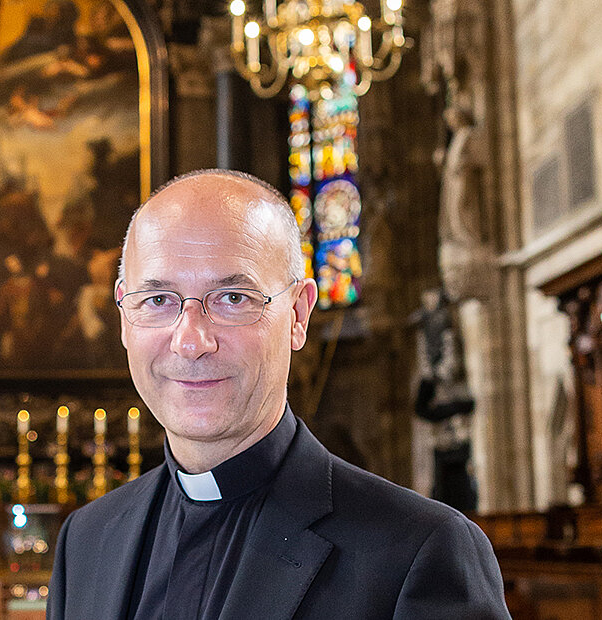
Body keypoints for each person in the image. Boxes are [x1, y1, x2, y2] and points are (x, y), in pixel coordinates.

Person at [48, 169, 508, 619]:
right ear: (125, 317)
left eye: (232, 298)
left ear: (298, 315)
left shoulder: (418, 552)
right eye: (157, 300)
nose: (191, 342)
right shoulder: (86, 542)